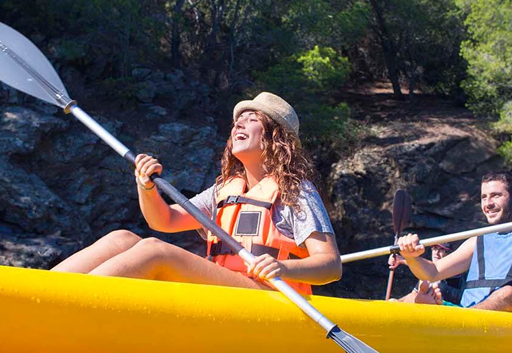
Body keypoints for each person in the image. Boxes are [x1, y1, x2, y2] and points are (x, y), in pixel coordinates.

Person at [51, 92, 341, 295]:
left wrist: (283, 267)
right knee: (122, 238)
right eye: (237, 121)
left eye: (251, 119)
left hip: (266, 295)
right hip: (226, 292)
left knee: (156, 251)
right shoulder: (224, 190)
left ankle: (70, 302)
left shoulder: (296, 191)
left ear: (276, 138)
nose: (238, 123)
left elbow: (330, 266)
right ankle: (42, 290)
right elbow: (165, 221)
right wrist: (147, 187)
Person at [394, 171, 512, 316]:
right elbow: (432, 272)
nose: (488, 203)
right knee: (411, 298)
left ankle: (456, 326)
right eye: (484, 197)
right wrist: (412, 258)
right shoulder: (477, 241)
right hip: (471, 319)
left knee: (507, 295)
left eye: (495, 195)